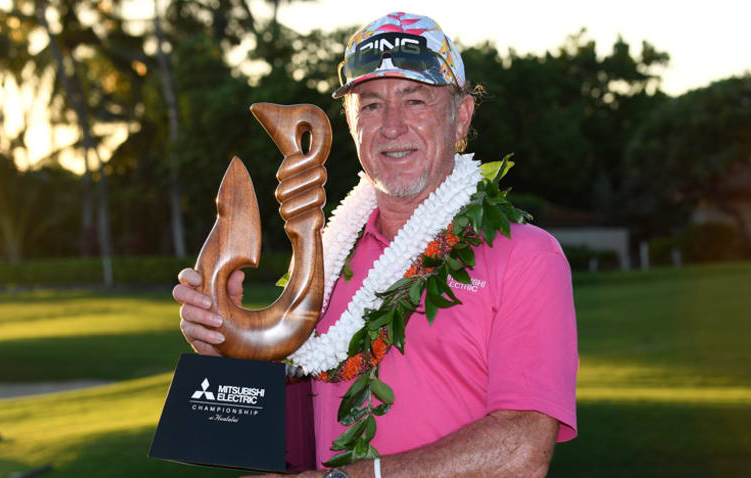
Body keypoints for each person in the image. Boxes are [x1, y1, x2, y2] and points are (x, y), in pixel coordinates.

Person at [173, 11, 577, 478]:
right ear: (349, 121)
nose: (391, 126)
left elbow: (522, 449)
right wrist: (226, 353)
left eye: (415, 100)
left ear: (461, 116)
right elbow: (276, 442)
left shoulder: (526, 256)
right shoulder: (325, 261)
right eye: (369, 104)